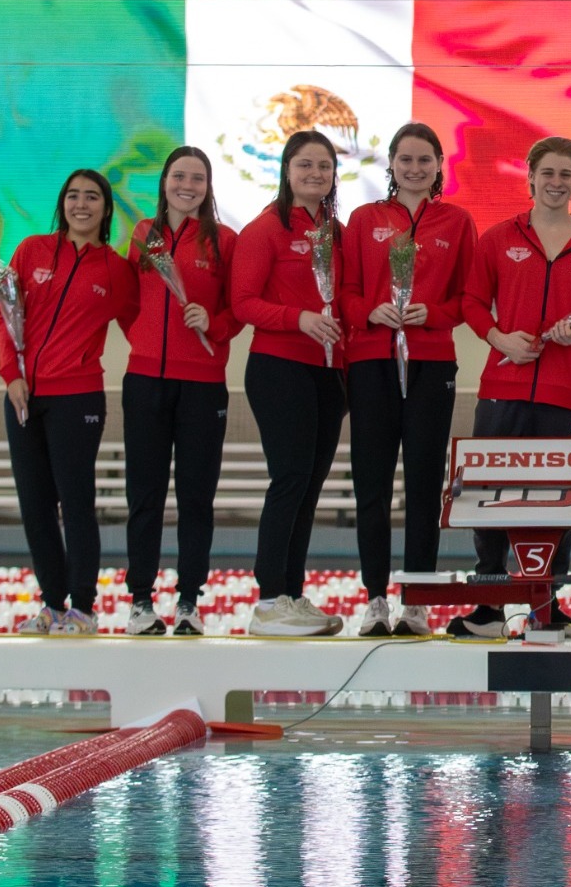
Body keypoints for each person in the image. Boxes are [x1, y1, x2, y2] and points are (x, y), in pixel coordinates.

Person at [454, 136, 571, 640]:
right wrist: (500, 336)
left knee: (559, 501)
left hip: (562, 393)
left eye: (566, 174)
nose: (556, 182)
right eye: (548, 173)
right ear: (530, 177)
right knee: (487, 496)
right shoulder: (498, 238)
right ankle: (488, 605)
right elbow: (473, 303)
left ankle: (548, 605)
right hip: (502, 385)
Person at [338, 122, 475, 637]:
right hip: (371, 360)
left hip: (432, 362)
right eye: (406, 159)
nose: (415, 168)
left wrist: (432, 314)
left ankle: (416, 601)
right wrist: (371, 312)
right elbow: (345, 293)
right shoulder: (363, 219)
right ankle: (375, 599)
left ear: (440, 164)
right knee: (371, 486)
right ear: (391, 164)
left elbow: (469, 300)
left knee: (423, 483)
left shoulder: (457, 222)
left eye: (425, 159)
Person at [0, 170, 139, 636]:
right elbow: (7, 317)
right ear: (62, 203)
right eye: (73, 196)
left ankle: (82, 606)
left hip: (77, 397)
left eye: (92, 196)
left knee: (75, 503)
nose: (82, 204)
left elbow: (142, 326)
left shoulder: (116, 270)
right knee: (35, 504)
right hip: (23, 396)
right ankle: (51, 604)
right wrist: (10, 375)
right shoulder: (32, 251)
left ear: (105, 208)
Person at [229, 130, 348, 637]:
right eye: (305, 165)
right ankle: (269, 599)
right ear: (286, 170)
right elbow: (243, 303)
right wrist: (297, 319)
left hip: (329, 372)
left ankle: (293, 595)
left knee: (310, 487)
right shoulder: (264, 230)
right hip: (280, 366)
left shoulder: (337, 233)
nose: (315, 174)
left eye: (324, 166)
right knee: (290, 479)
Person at [122, 148, 239, 636]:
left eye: (197, 177)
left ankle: (189, 600)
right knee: (144, 496)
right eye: (178, 176)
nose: (186, 184)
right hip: (145, 381)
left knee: (196, 497)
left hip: (203, 385)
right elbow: (129, 301)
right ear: (164, 181)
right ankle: (141, 602)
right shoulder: (141, 236)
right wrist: (145, 341)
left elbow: (240, 310)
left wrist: (213, 324)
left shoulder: (225, 241)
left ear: (208, 186)